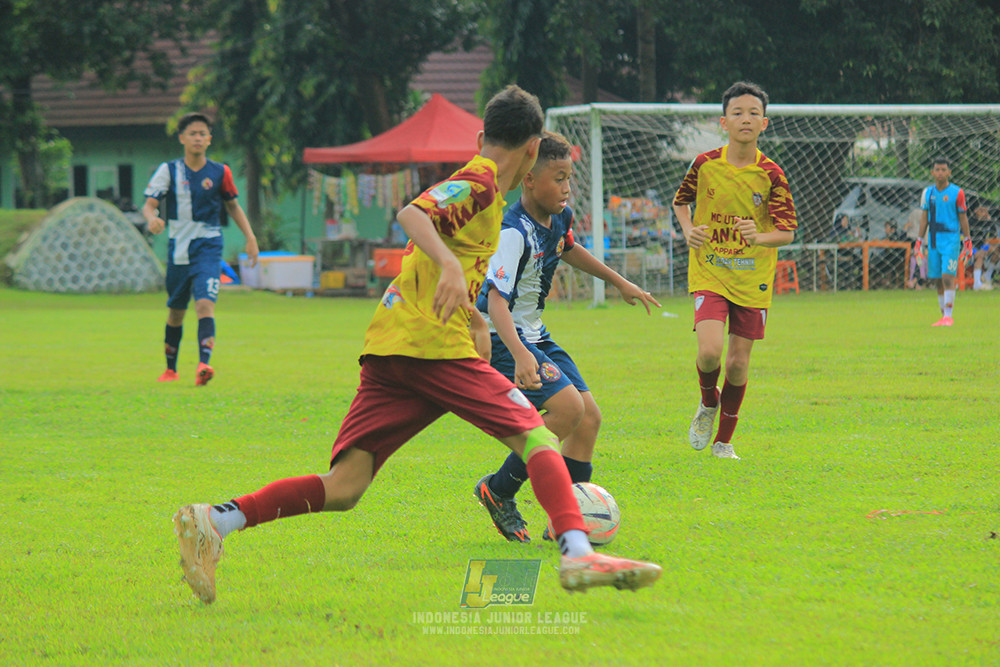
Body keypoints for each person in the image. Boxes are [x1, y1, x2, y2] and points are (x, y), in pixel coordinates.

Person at [171, 86, 662, 605]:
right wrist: (453, 271)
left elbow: (428, 252)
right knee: (539, 437)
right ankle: (578, 552)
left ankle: (214, 520)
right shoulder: (482, 182)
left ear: (481, 136)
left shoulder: (480, 188)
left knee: (346, 485)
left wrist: (470, 306)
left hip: (395, 343)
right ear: (534, 149)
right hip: (430, 345)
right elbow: (412, 215)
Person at [472, 131, 661, 543]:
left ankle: (565, 518)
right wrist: (520, 355)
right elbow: (495, 302)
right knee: (566, 411)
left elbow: (568, 247)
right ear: (530, 181)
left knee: (588, 418)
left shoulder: (559, 216)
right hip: (505, 339)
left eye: (569, 178)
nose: (567, 187)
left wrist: (619, 282)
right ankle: (499, 490)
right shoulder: (512, 232)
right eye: (559, 178)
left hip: (535, 335)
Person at [672, 81, 798, 460]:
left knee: (738, 364)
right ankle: (708, 402)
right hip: (710, 270)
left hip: (752, 278)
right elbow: (681, 202)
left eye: (753, 113)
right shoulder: (705, 164)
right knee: (710, 352)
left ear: (765, 124)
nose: (746, 118)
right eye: (738, 113)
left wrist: (758, 237)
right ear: (723, 122)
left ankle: (724, 442)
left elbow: (787, 232)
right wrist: (688, 230)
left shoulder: (772, 175)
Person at [142, 112, 259, 386]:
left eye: (202, 133)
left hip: (208, 245)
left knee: (205, 304)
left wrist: (250, 237)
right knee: (176, 311)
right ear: (182, 138)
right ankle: (171, 369)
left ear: (209, 139)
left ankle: (204, 365)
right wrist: (152, 219)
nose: (197, 138)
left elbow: (233, 206)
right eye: (192, 133)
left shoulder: (220, 172)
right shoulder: (168, 170)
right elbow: (149, 204)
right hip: (179, 247)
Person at [913, 157, 971, 326]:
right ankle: (943, 315)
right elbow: (924, 218)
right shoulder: (927, 193)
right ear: (932, 172)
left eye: (943, 170)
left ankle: (948, 316)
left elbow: (963, 217)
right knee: (937, 278)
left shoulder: (957, 193)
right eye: (937, 170)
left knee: (947, 276)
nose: (940, 173)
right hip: (933, 240)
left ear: (949, 172)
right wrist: (918, 240)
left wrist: (967, 240)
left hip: (951, 239)